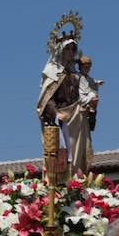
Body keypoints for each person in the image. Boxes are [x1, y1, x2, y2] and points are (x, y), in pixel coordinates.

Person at [36, 36, 91, 174]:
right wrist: (56, 113)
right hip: (62, 119)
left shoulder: (77, 75)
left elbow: (83, 95)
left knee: (78, 152)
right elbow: (46, 99)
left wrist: (91, 106)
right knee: (62, 152)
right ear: (61, 51)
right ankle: (61, 183)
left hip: (78, 119)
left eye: (73, 49)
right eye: (68, 49)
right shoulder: (53, 73)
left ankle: (77, 180)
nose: (71, 52)